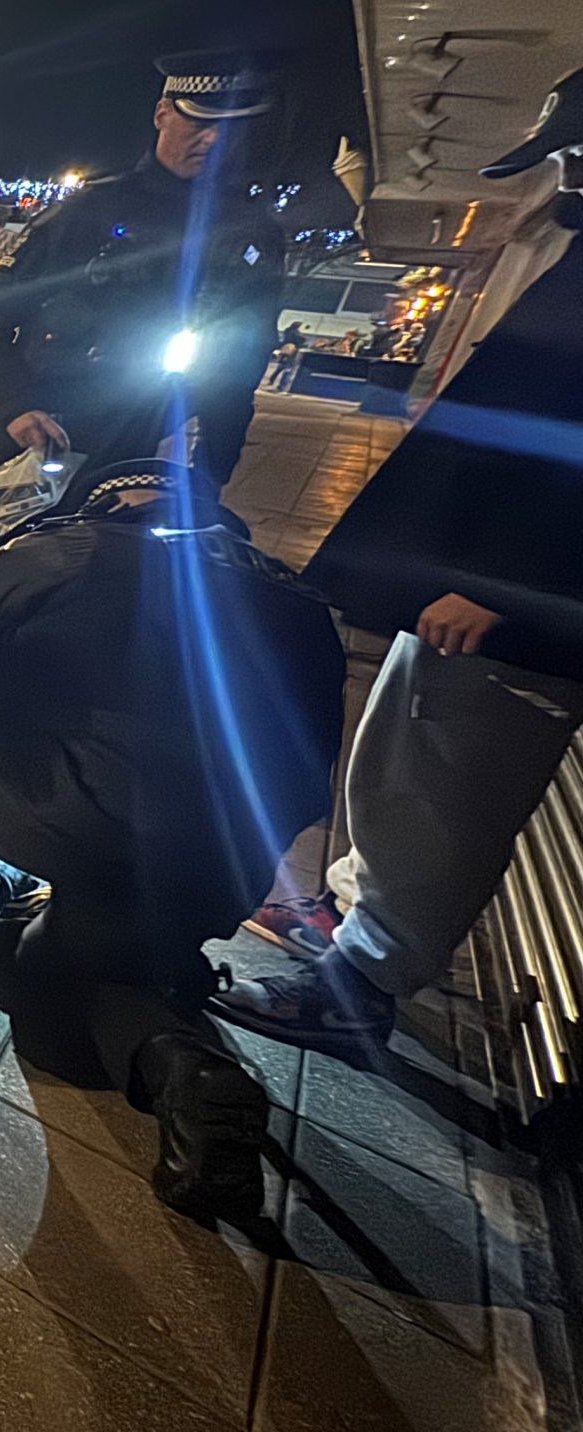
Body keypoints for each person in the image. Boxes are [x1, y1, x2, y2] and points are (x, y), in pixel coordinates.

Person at [0, 461, 346, 1215]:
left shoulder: (71, 543)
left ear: (113, 498)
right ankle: (185, 1070)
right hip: (230, 861)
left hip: (81, 819)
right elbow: (309, 767)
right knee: (81, 981)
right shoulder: (298, 597)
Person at [216, 65, 583, 1048]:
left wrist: (510, 590)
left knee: (444, 799)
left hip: (516, 617)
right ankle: (348, 921)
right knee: (398, 759)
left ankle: (359, 991)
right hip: (468, 590)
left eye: (578, 158)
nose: (567, 179)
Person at [0, 52, 288, 660]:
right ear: (161, 114)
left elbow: (236, 383)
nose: (213, 141)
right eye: (200, 122)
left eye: (231, 130)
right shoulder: (89, 212)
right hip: (34, 461)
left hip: (138, 481)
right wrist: (21, 409)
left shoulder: (253, 234)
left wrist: (197, 487)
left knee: (66, 650)